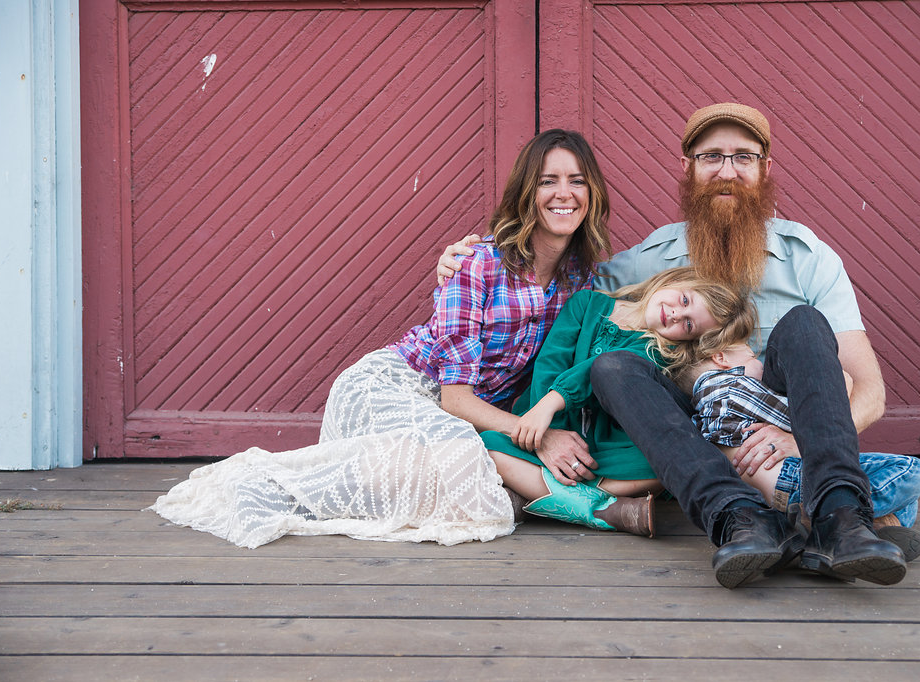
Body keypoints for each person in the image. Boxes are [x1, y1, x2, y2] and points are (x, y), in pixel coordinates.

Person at [438, 103, 908, 589]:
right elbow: (563, 285)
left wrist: (794, 438)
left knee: (805, 324)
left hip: (786, 430)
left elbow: (868, 391)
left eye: (743, 157)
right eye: (711, 157)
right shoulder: (651, 260)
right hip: (694, 440)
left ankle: (840, 518)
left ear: (765, 168)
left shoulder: (808, 258)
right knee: (613, 366)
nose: (727, 171)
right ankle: (739, 517)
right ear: (688, 168)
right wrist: (468, 263)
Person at [150, 129, 612, 548]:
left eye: (577, 181)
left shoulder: (582, 282)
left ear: (591, 193)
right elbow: (454, 398)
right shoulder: (478, 265)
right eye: (548, 181)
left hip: (463, 416)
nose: (564, 193)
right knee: (467, 468)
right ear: (526, 193)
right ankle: (259, 486)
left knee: (465, 473)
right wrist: (538, 435)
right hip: (395, 389)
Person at [482, 267, 755, 537]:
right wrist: (544, 422)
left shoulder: (661, 349)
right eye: (684, 300)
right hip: (549, 421)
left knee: (659, 466)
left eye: (688, 325)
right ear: (673, 280)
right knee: (489, 446)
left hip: (606, 445)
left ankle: (552, 497)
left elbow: (592, 372)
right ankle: (600, 508)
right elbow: (551, 360)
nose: (675, 314)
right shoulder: (587, 303)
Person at [676, 342, 920, 561]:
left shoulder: (704, 407)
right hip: (791, 478)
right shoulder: (730, 389)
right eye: (753, 357)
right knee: (910, 470)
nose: (761, 366)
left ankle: (854, 533)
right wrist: (841, 382)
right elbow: (811, 416)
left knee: (907, 504)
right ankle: (826, 523)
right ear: (721, 358)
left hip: (772, 492)